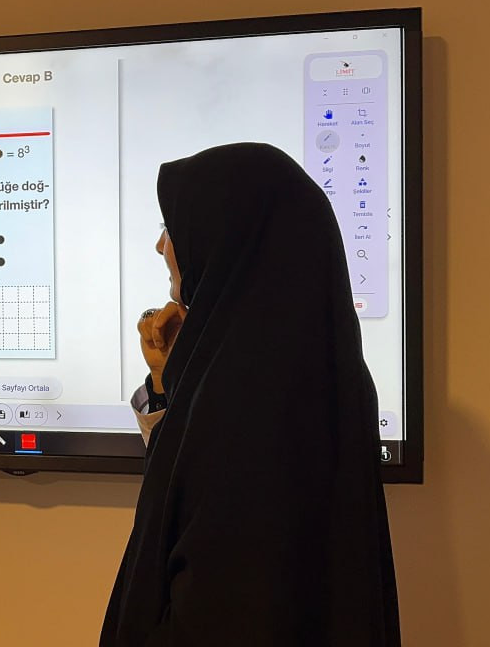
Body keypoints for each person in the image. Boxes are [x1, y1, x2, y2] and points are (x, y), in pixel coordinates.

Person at [102, 143, 400, 646]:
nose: (161, 247)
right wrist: (168, 383)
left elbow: (220, 607)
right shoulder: (298, 365)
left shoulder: (252, 403)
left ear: (230, 238)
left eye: (170, 229)